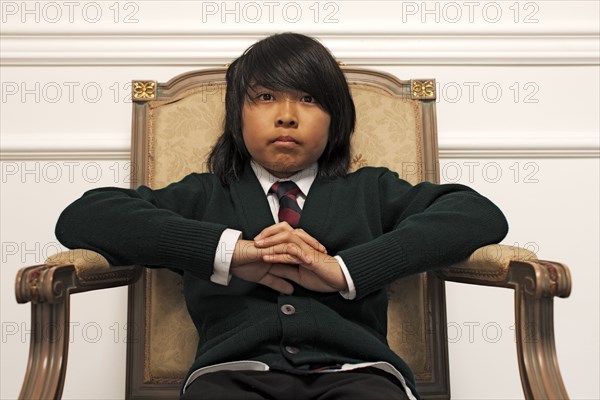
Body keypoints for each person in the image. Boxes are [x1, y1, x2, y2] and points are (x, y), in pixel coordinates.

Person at [55, 33, 509, 400]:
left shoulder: (370, 189)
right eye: (267, 96)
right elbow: (84, 216)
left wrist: (345, 270)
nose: (287, 116)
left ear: (337, 121)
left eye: (309, 99)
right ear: (237, 117)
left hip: (359, 373)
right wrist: (231, 252)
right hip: (230, 375)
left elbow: (477, 213)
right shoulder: (206, 193)